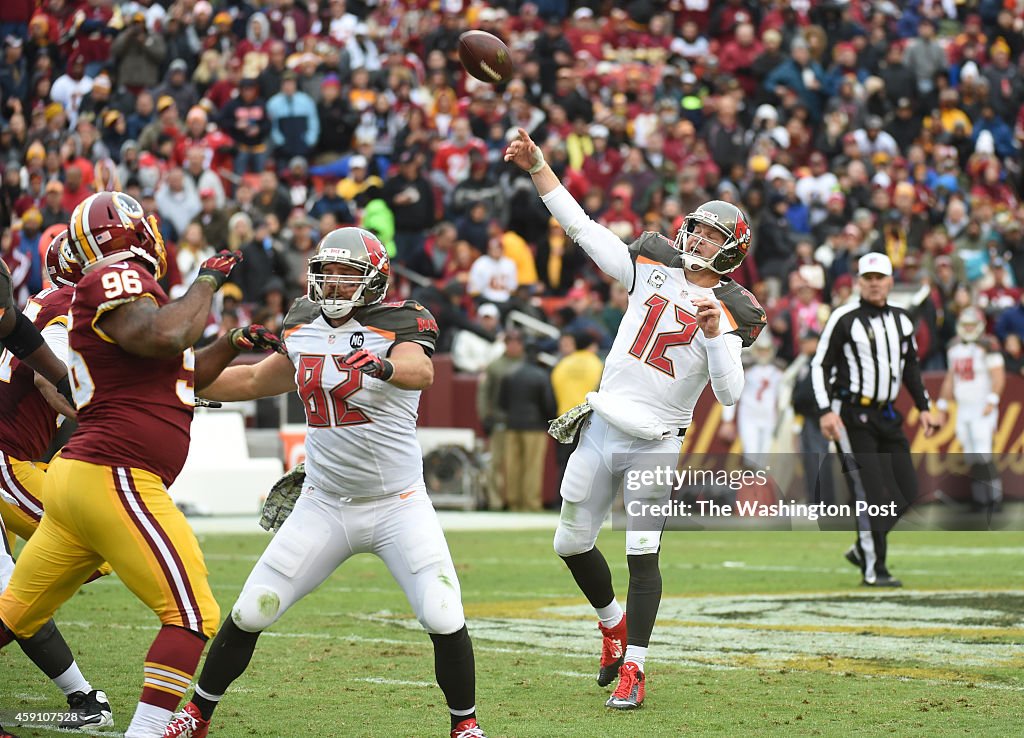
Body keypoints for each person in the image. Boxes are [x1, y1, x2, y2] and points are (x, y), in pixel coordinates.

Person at [163, 228, 487, 738]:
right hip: (324, 502)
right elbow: (250, 382)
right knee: (252, 608)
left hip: (398, 504)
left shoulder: (402, 319)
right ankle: (196, 715)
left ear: (374, 281)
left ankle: (465, 727)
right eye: (328, 275)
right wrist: (181, 383)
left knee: (442, 611)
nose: (335, 285)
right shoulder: (302, 322)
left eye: (347, 275)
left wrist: (381, 366)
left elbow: (419, 370)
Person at [0, 191, 280, 738]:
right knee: (194, 615)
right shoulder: (114, 280)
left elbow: (177, 370)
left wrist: (232, 340)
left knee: (14, 614)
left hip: (82, 477)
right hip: (114, 472)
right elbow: (169, 334)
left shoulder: (123, 303)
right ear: (131, 232)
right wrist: (205, 282)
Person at [504, 128, 765, 709]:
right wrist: (540, 167)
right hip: (603, 423)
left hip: (656, 440)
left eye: (711, 233)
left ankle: (637, 668)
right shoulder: (651, 262)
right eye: (695, 226)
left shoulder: (735, 309)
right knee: (570, 542)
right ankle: (611, 625)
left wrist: (717, 335)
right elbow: (582, 229)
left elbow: (727, 395)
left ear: (731, 248)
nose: (696, 237)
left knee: (641, 552)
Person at [0, 233, 114, 732]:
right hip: (5, 455)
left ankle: (85, 700)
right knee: (98, 539)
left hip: (13, 453)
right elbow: (52, 377)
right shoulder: (66, 304)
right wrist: (103, 417)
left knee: (11, 594)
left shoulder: (44, 301)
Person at [812, 253, 942, 588]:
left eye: (879, 277)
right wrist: (825, 410)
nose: (873, 283)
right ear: (859, 281)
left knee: (908, 492)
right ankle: (875, 570)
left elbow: (910, 365)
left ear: (889, 281)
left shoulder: (902, 320)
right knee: (869, 493)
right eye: (867, 277)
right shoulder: (844, 317)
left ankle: (862, 547)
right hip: (851, 415)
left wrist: (924, 406)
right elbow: (819, 366)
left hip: (886, 413)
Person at [936, 307, 1005, 512]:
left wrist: (992, 400)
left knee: (984, 454)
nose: (968, 328)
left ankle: (994, 499)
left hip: (982, 407)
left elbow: (998, 375)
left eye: (971, 325)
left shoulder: (988, 345)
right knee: (971, 456)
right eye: (965, 324)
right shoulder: (954, 347)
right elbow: (950, 378)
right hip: (963, 408)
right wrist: (941, 404)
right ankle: (979, 499)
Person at [718, 334, 783, 470]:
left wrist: (782, 421)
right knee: (751, 453)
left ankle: (761, 488)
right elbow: (733, 394)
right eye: (760, 350)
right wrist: (728, 419)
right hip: (749, 416)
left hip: (769, 418)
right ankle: (750, 486)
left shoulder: (778, 372)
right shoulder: (746, 370)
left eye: (766, 350)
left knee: (765, 457)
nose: (764, 354)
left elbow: (782, 399)